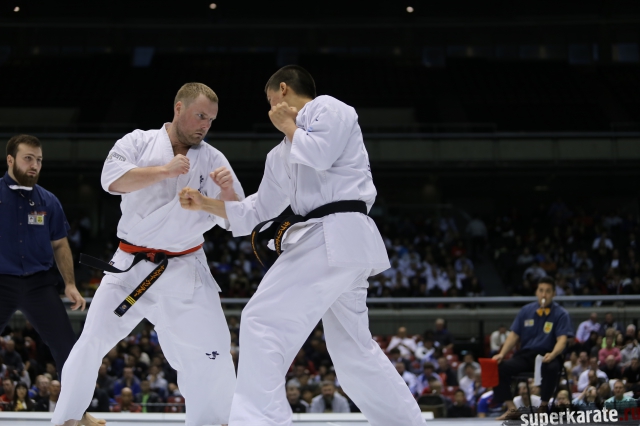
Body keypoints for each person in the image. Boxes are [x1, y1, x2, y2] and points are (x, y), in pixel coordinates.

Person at [178, 65, 425, 426]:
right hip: (335, 243)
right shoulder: (280, 153)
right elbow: (257, 211)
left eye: (270, 100)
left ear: (283, 90)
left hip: (335, 232)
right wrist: (206, 204)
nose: (270, 108)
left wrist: (288, 126)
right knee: (353, 351)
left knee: (262, 320)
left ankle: (261, 421)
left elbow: (320, 155)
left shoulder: (329, 108)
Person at [52, 82, 244, 426]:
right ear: (178, 108)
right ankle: (70, 418)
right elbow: (111, 181)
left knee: (212, 349)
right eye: (200, 115)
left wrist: (225, 192)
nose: (205, 125)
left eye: (211, 120)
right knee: (91, 340)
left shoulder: (213, 159)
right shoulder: (138, 142)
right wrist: (164, 171)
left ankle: (213, 421)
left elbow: (237, 219)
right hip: (131, 267)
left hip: (184, 269)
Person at [0, 135, 86, 382]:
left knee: (67, 347)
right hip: (2, 281)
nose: (34, 165)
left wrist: (70, 283)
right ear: (10, 160)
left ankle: (75, 405)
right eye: (28, 158)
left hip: (39, 284)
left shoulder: (49, 201)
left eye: (38, 160)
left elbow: (60, 244)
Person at [492, 277, 574, 420]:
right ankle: (512, 409)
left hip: (548, 356)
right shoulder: (526, 311)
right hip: (526, 355)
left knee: (552, 368)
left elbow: (562, 340)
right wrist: (502, 354)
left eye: (548, 291)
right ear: (536, 292)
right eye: (541, 290)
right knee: (498, 367)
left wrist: (553, 354)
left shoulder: (561, 314)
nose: (544, 294)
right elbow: (514, 335)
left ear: (554, 294)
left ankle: (542, 408)